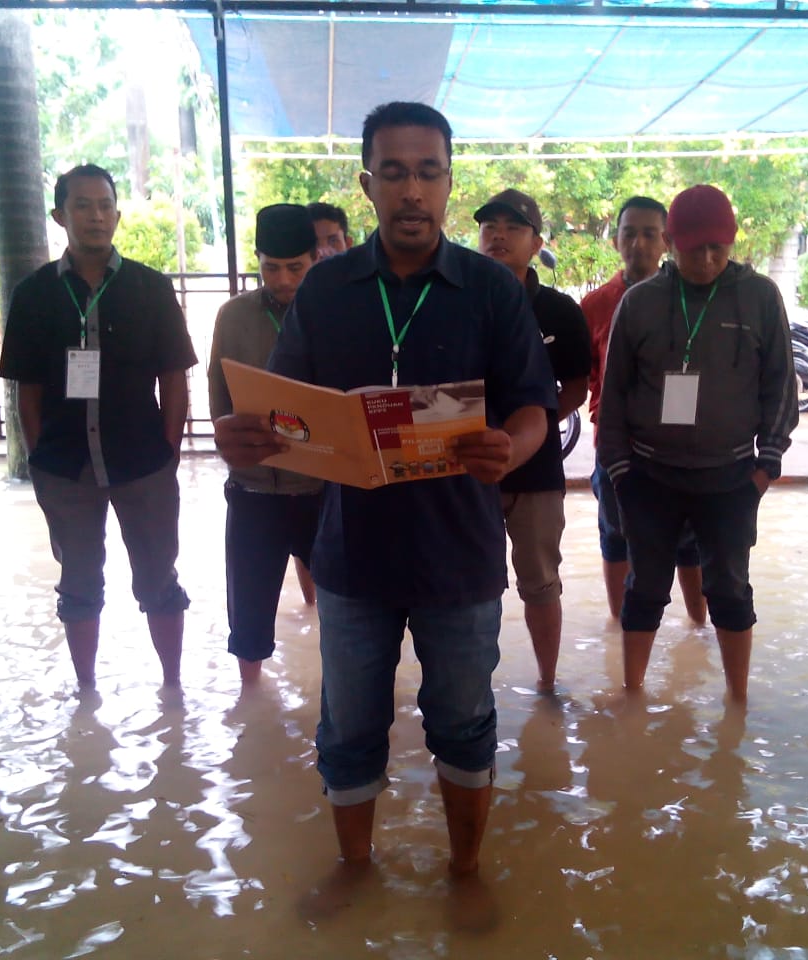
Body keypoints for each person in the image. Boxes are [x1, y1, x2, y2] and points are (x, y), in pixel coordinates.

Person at [215, 102, 553, 883]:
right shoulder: (327, 290)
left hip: (461, 555)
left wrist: (516, 446)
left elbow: (533, 401)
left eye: (428, 173)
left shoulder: (491, 291)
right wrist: (251, 435)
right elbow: (288, 407)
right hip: (351, 555)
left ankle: (466, 873)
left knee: (466, 723)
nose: (412, 190)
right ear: (368, 184)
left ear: (446, 182)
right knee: (349, 726)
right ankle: (355, 872)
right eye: (394, 173)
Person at [0, 164, 197, 693]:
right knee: (79, 582)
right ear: (60, 215)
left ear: (117, 212)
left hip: (143, 463)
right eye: (82, 206)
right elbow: (27, 388)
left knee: (159, 578)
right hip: (65, 468)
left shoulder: (150, 288)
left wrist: (169, 452)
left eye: (105, 205)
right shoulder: (34, 293)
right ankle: (86, 690)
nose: (96, 216)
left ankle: (172, 687)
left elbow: (174, 377)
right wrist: (42, 456)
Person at [597, 184, 797, 703]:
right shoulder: (639, 304)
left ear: (731, 241)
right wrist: (621, 475)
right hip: (650, 477)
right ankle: (632, 698)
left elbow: (781, 385)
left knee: (731, 589)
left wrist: (764, 469)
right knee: (644, 590)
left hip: (731, 478)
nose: (707, 259)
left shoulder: (759, 297)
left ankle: (738, 704)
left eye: (718, 247)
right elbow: (613, 395)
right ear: (670, 242)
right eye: (694, 249)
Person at [474, 189, 591, 693]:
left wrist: (537, 426)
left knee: (540, 579)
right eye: (489, 226)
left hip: (537, 472)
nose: (498, 234)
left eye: (512, 227)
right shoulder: (457, 304)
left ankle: (547, 682)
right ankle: (472, 685)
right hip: (467, 468)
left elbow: (579, 387)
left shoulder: (561, 311)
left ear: (537, 242)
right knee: (470, 582)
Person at [208, 204, 324, 684]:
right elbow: (218, 391)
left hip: (323, 488)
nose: (283, 279)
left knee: (345, 606)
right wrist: (225, 435)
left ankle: (338, 689)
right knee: (249, 610)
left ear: (315, 259)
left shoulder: (335, 312)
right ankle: (249, 701)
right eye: (270, 267)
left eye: (295, 268)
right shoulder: (232, 316)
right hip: (254, 487)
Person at [581, 197, 706, 625]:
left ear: (667, 241)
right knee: (615, 536)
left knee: (689, 540)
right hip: (615, 446)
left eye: (649, 233)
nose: (637, 243)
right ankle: (620, 629)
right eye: (628, 232)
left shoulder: (691, 299)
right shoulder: (596, 304)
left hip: (679, 446)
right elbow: (587, 377)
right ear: (615, 239)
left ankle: (699, 627)